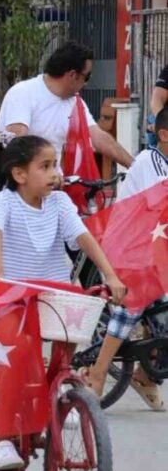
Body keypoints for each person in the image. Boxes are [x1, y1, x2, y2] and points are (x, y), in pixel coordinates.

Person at [0, 134, 126, 471]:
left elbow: (83, 237)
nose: (54, 173)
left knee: (67, 345)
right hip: (10, 296)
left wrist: (110, 275)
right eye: (44, 166)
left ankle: (54, 399)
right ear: (19, 175)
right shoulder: (5, 202)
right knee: (17, 358)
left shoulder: (60, 203)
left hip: (53, 293)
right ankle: (3, 439)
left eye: (55, 165)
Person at [81, 107, 168, 412]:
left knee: (164, 321)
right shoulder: (150, 161)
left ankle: (146, 376)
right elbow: (161, 204)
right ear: (164, 135)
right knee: (132, 306)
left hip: (158, 253)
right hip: (130, 250)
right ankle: (98, 372)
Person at [0, 41, 133, 171]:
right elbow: (17, 143)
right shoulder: (24, 93)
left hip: (50, 184)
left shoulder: (74, 102)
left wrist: (133, 165)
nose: (86, 84)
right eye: (87, 76)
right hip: (19, 185)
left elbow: (99, 137)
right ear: (72, 75)